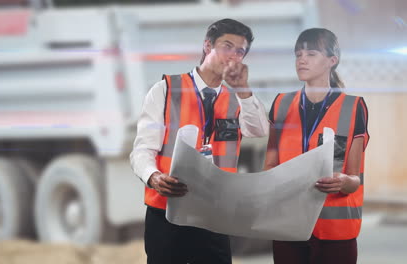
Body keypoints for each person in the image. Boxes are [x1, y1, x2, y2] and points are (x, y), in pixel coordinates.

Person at [130, 18, 269, 264]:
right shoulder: (165, 90)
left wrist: (243, 89)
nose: (233, 56)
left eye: (240, 51)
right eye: (227, 46)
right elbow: (142, 150)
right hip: (167, 213)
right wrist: (154, 177)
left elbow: (259, 129)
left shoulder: (239, 98)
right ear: (207, 46)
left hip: (214, 215)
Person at [264, 28, 369, 264]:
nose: (301, 59)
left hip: (335, 231)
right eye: (298, 54)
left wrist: (344, 182)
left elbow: (355, 178)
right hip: (287, 225)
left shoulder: (353, 108)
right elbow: (269, 165)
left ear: (332, 60)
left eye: (310, 53)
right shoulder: (281, 104)